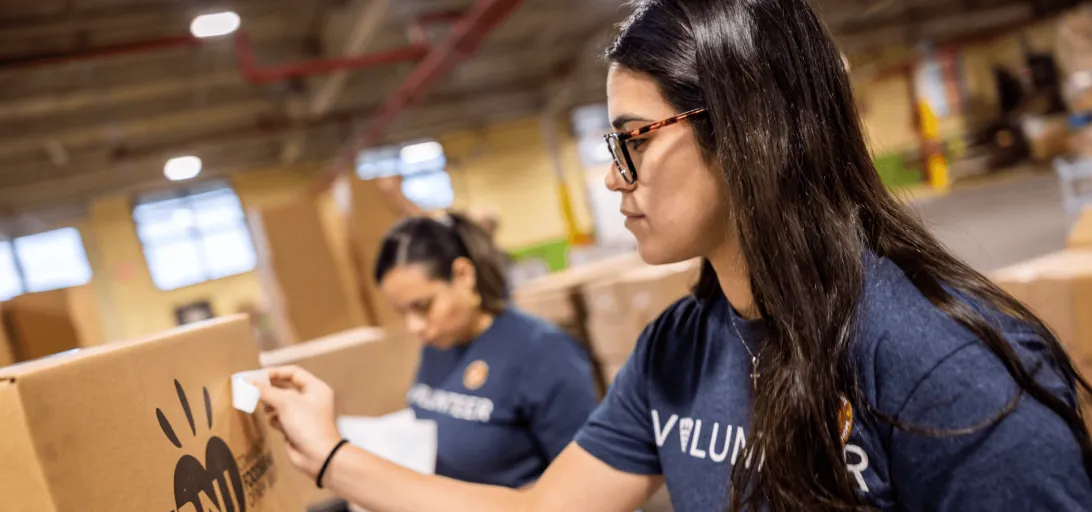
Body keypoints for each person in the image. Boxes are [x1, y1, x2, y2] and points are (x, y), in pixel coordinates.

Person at [255, 1, 1092, 511]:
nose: (611, 179)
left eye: (632, 141)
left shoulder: (940, 364)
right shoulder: (679, 351)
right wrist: (332, 456)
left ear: (748, 132)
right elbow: (546, 509)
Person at [328, 212, 597, 489]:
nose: (414, 326)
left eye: (423, 306)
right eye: (402, 311)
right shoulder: (439, 345)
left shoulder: (542, 352)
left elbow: (585, 485)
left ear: (463, 275)